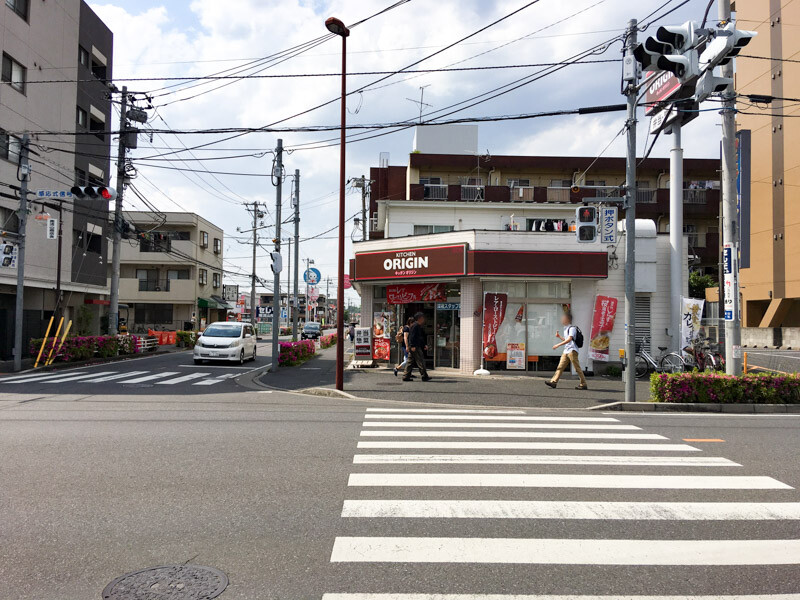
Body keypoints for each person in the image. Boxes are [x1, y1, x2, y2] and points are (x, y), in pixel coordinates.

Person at [545, 311, 587, 390]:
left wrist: (558, 345)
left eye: (563, 318)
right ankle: (553, 382)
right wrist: (559, 337)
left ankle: (583, 384)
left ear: (568, 319)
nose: (562, 320)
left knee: (577, 368)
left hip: (572, 350)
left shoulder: (572, 328)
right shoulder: (566, 329)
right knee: (560, 367)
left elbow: (569, 339)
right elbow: (567, 340)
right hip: (566, 350)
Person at [403, 312, 431, 382]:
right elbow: (412, 337)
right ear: (419, 318)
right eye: (422, 318)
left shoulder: (415, 326)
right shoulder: (415, 326)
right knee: (420, 360)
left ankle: (406, 376)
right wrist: (412, 345)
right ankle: (424, 376)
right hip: (415, 346)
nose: (423, 319)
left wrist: (423, 345)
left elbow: (419, 338)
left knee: (410, 361)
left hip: (414, 346)